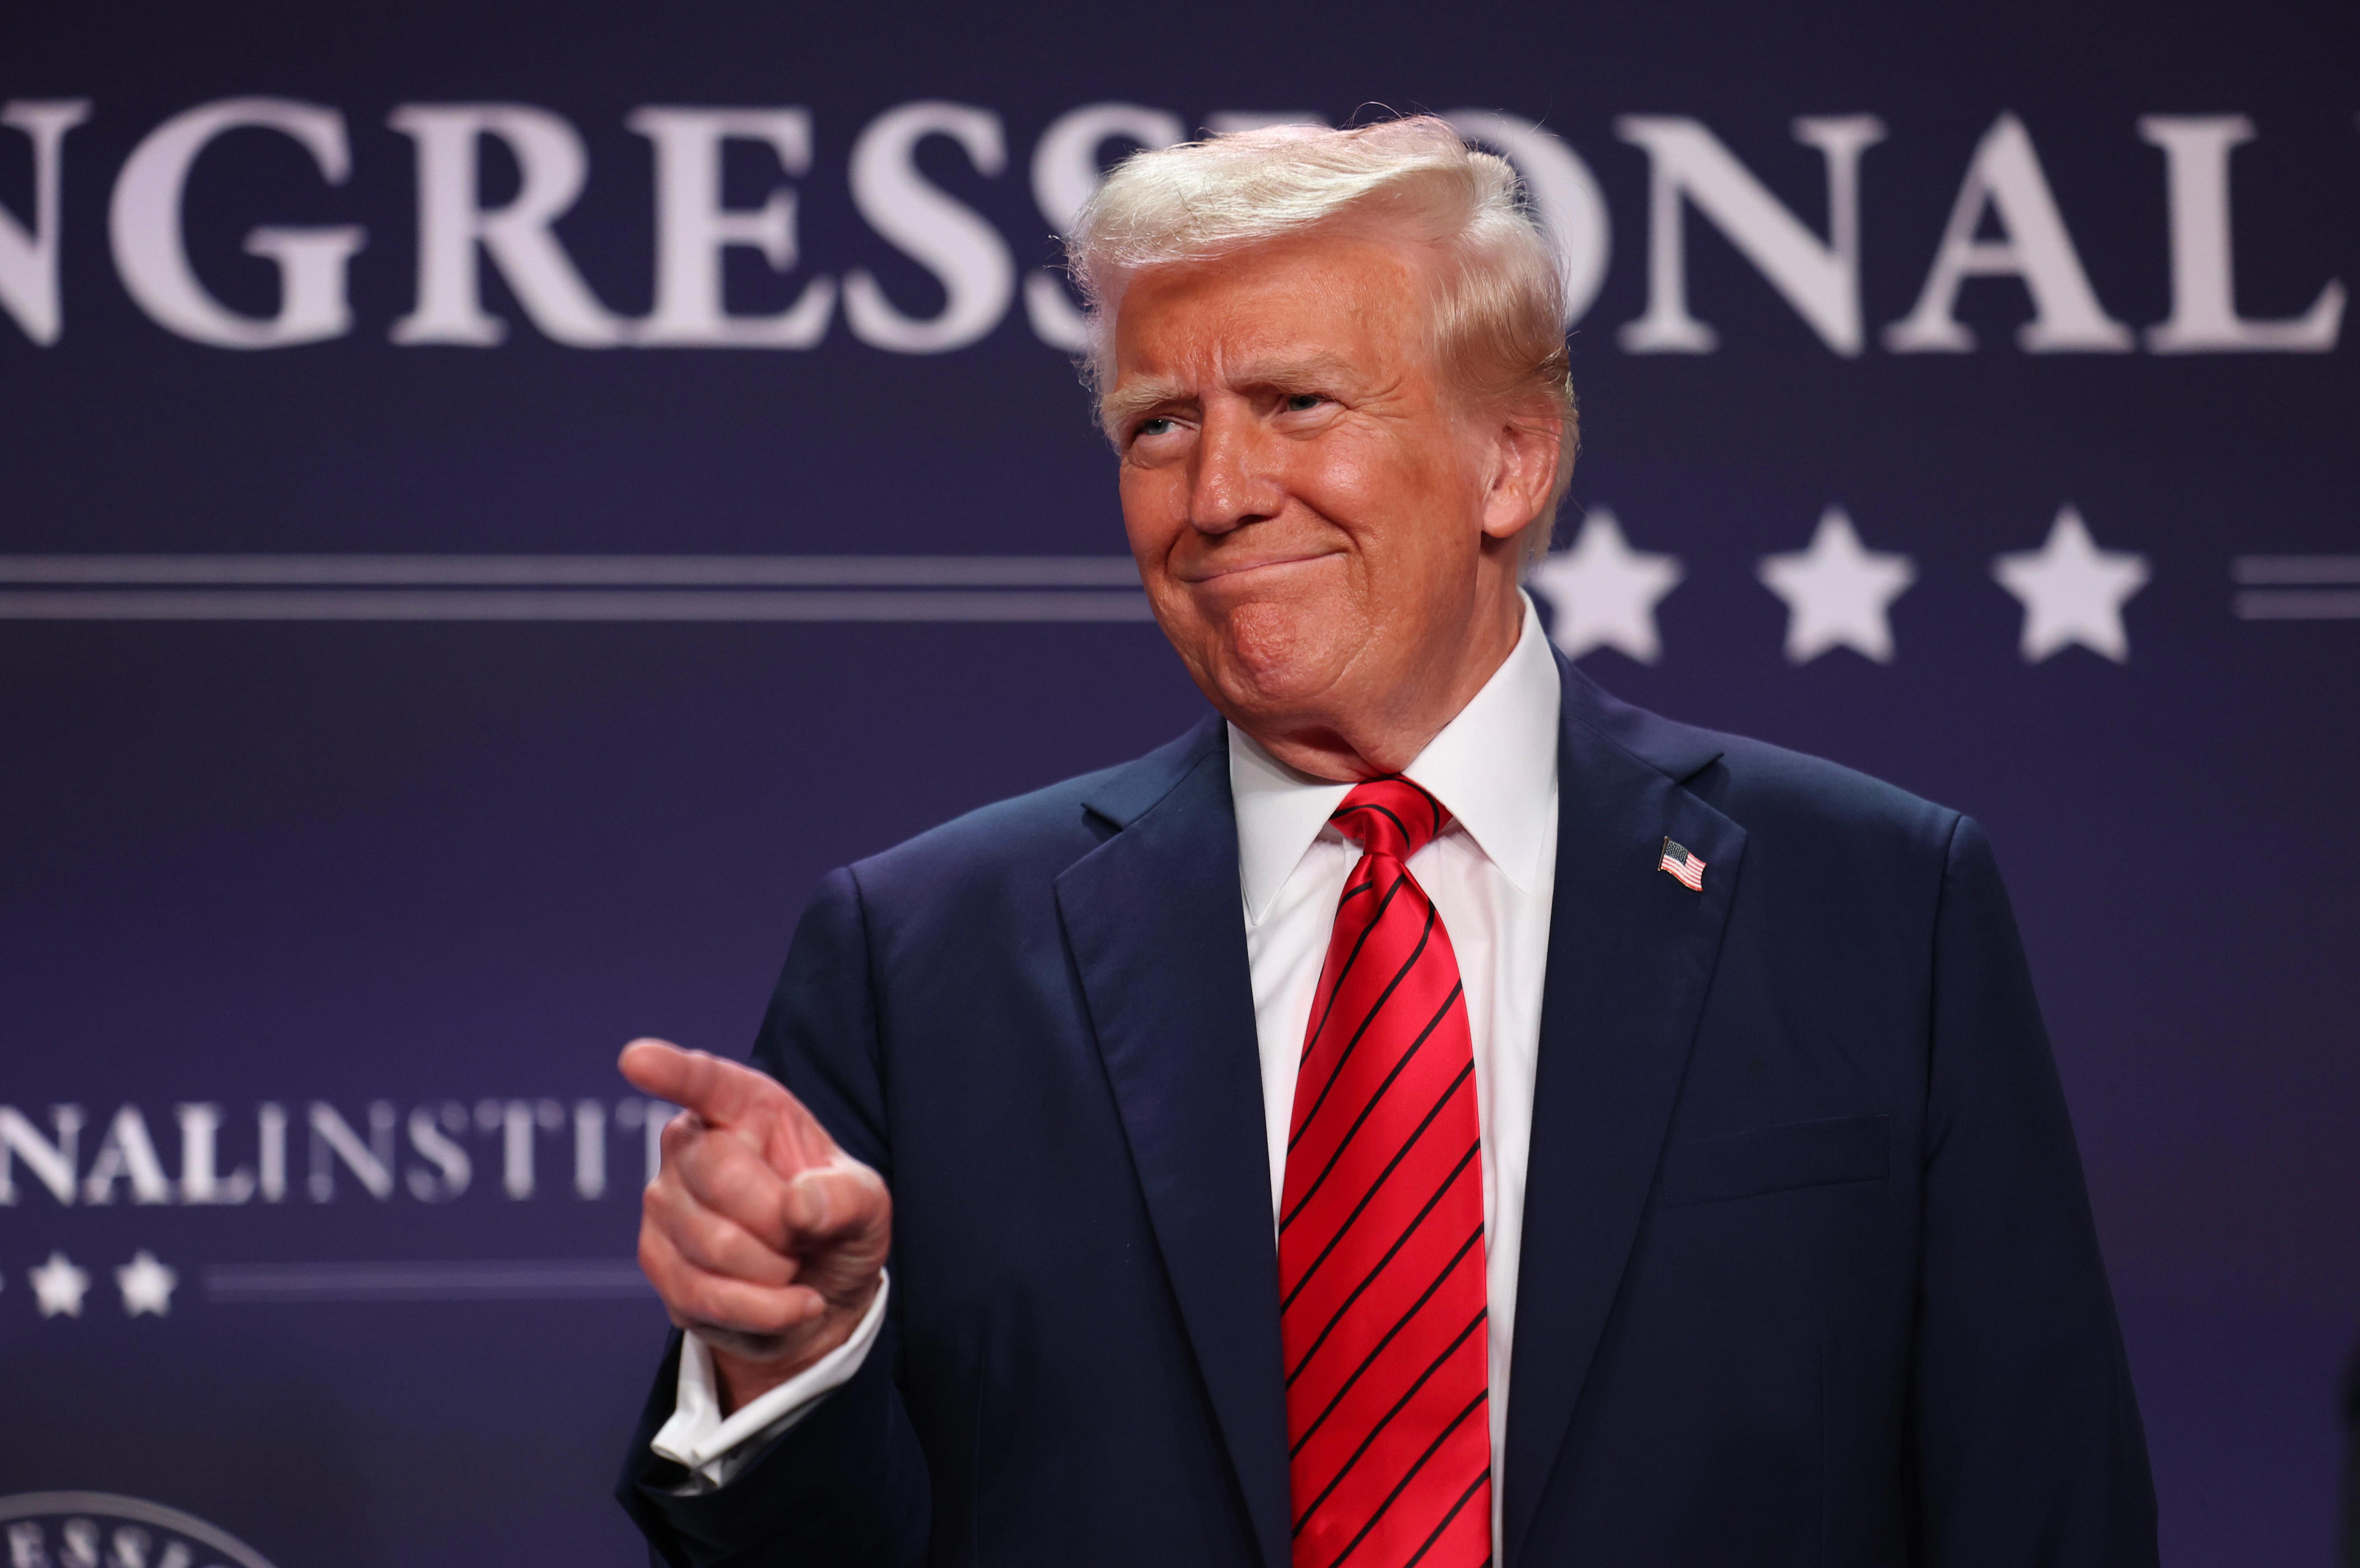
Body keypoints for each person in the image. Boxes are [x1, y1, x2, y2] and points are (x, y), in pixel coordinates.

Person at [613, 116, 2157, 1567]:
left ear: (1513, 461)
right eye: (1162, 424)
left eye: (1298, 403)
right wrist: (793, 1357)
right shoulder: (921, 955)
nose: (1217, 495)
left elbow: (2044, 1507)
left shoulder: (1880, 906)